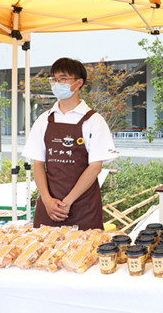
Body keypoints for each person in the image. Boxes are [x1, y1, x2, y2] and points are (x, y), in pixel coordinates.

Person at [22, 58, 118, 230]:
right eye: (54, 79)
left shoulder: (94, 121)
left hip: (83, 207)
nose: (57, 83)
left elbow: (95, 167)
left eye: (63, 79)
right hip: (49, 207)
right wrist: (47, 200)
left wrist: (67, 202)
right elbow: (38, 163)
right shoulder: (44, 120)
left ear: (79, 83)